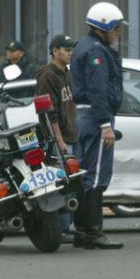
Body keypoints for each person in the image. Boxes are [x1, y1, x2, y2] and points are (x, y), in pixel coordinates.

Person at [69, 2, 126, 249]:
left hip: (84, 116)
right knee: (96, 176)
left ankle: (82, 231)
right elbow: (98, 89)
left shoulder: (85, 46)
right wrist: (105, 124)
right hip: (95, 117)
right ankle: (93, 232)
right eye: (116, 28)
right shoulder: (96, 51)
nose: (118, 33)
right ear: (105, 26)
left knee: (84, 174)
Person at [35, 34, 79, 244]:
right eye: (67, 50)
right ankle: (61, 229)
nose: (71, 53)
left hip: (71, 134)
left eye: (72, 50)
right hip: (56, 139)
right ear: (54, 51)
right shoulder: (47, 75)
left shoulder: (66, 73)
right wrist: (59, 140)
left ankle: (68, 227)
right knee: (60, 183)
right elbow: (48, 112)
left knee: (71, 184)